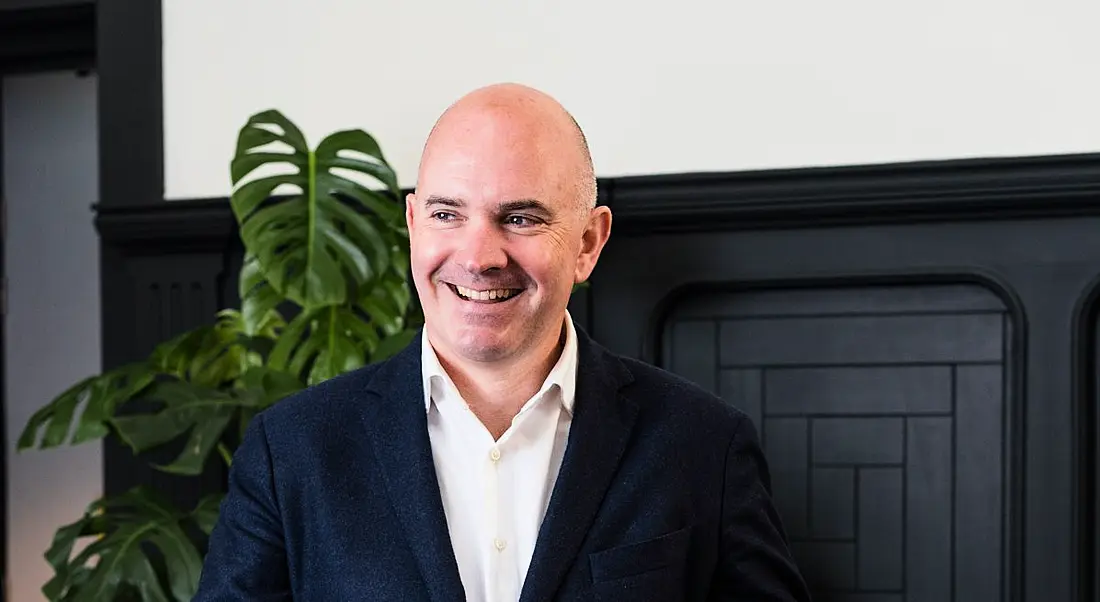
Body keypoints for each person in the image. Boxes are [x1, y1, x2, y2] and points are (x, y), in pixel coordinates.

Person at [194, 83, 810, 601]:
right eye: (446, 214)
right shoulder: (292, 452)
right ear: (412, 226)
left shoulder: (704, 445)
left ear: (589, 243)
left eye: (520, 218)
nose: (480, 256)